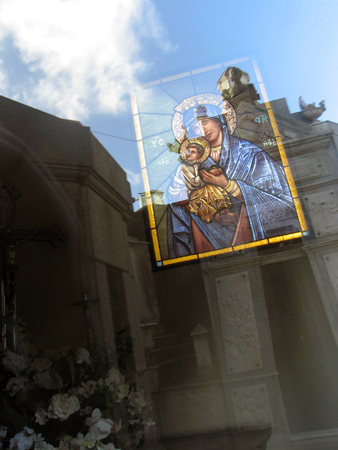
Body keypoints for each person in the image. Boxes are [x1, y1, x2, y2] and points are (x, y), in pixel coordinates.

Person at [167, 103, 301, 258]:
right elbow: (179, 204)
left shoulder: (251, 153)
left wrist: (229, 185)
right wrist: (213, 215)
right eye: (195, 128)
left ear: (218, 121)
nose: (202, 130)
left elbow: (283, 203)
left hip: (255, 239)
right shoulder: (190, 164)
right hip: (207, 240)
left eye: (205, 122)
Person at [169, 137, 232, 224]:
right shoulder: (183, 166)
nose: (189, 154)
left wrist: (210, 173)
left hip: (197, 189)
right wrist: (205, 175)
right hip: (187, 193)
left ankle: (223, 210)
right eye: (188, 151)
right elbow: (195, 183)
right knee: (203, 198)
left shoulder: (196, 164)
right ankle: (214, 216)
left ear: (198, 155)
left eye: (193, 152)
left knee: (214, 189)